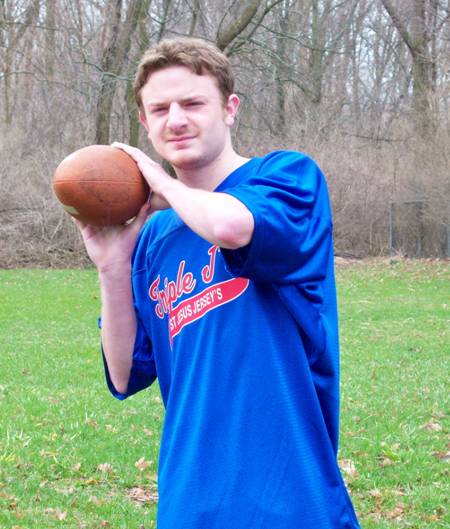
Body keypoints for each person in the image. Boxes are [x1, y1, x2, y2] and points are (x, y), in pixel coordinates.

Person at [76, 37, 361, 529]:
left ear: (230, 109)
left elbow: (232, 227)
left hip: (291, 498)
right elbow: (124, 375)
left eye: (193, 103)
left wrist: (163, 184)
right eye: (159, 109)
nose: (176, 120)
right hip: (190, 503)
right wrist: (112, 266)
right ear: (144, 122)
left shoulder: (287, 178)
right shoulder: (156, 237)